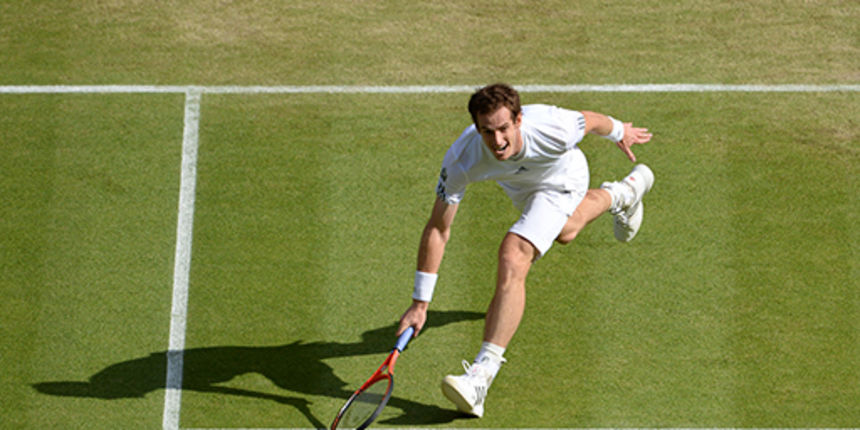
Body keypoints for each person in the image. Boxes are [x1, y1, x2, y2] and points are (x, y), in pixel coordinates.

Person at [396, 83, 654, 417]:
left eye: (504, 128)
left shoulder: (552, 125)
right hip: (523, 189)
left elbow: (590, 121)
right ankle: (623, 194)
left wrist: (620, 130)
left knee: (514, 252)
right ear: (477, 128)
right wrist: (420, 303)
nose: (498, 141)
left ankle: (481, 377)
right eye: (487, 132)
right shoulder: (462, 159)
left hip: (564, 176)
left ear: (519, 120)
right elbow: (438, 228)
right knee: (566, 231)